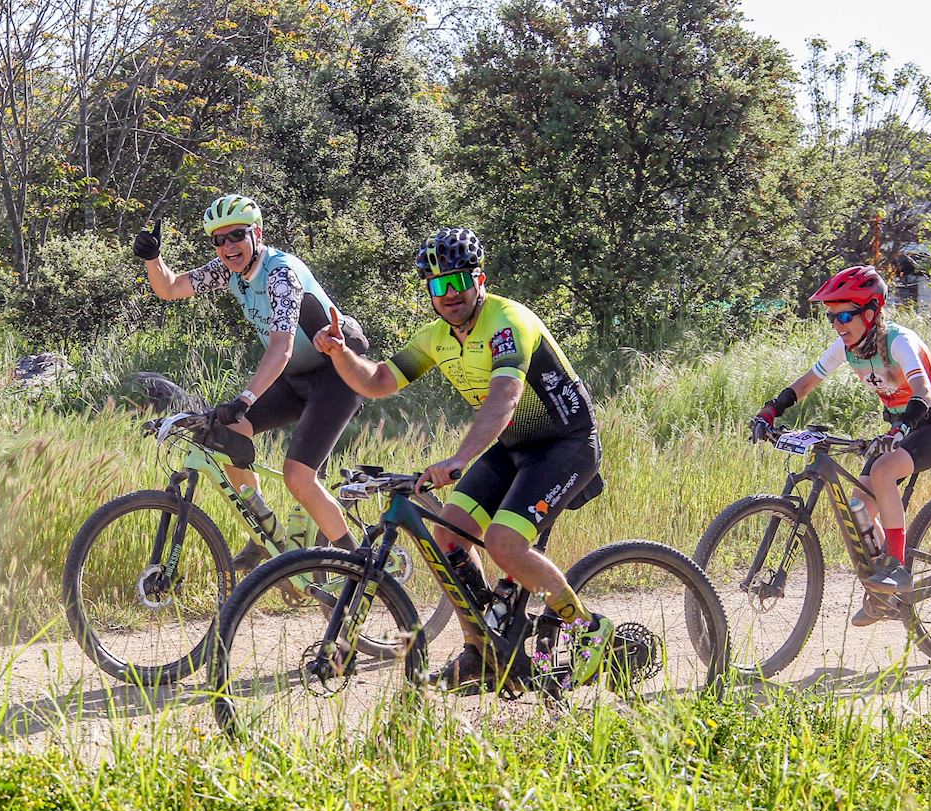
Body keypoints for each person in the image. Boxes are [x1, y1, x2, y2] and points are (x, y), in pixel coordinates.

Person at [313, 227, 612, 691]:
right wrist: (339, 353)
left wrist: (458, 459)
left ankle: (589, 628)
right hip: (513, 448)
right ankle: (483, 649)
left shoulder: (507, 321)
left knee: (504, 544)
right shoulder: (436, 337)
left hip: (565, 444)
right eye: (438, 285)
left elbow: (505, 397)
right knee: (448, 537)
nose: (449, 294)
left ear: (480, 280)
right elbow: (376, 382)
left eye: (458, 282)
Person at [131, 196, 370, 565]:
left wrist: (244, 398)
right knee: (228, 437)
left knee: (298, 477)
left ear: (256, 234)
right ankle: (266, 534)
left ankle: (360, 566)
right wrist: (152, 258)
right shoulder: (229, 270)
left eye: (237, 236)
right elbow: (170, 288)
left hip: (334, 377)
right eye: (220, 239)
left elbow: (281, 347)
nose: (228, 247)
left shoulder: (280, 272)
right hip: (294, 378)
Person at [753, 264, 931, 624]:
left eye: (845, 315)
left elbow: (923, 391)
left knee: (883, 471)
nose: (838, 324)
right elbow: (806, 383)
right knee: (859, 507)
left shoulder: (898, 341)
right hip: (902, 427)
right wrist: (770, 411)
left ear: (870, 313)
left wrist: (900, 430)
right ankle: (886, 597)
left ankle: (897, 566)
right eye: (832, 317)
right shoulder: (846, 347)